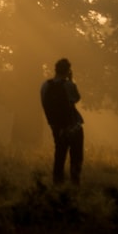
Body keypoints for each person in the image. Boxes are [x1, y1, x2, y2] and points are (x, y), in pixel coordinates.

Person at [40, 57, 84, 186]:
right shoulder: (68, 85)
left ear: (55, 69)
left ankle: (57, 184)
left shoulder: (45, 85)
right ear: (68, 70)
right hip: (73, 126)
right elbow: (76, 98)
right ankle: (75, 184)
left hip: (56, 127)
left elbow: (44, 103)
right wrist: (71, 79)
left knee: (59, 155)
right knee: (76, 156)